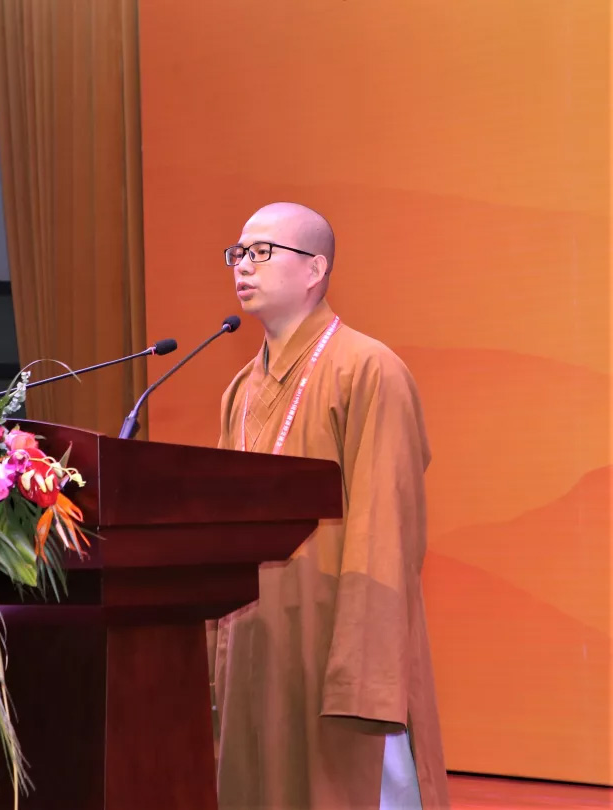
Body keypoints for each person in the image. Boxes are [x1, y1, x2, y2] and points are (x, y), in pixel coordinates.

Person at [212, 202, 449, 808]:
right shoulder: (240, 390)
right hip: (255, 637)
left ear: (315, 269)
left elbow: (385, 527)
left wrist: (363, 667)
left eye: (262, 252)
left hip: (330, 640)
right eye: (238, 253)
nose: (243, 266)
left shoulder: (369, 369)